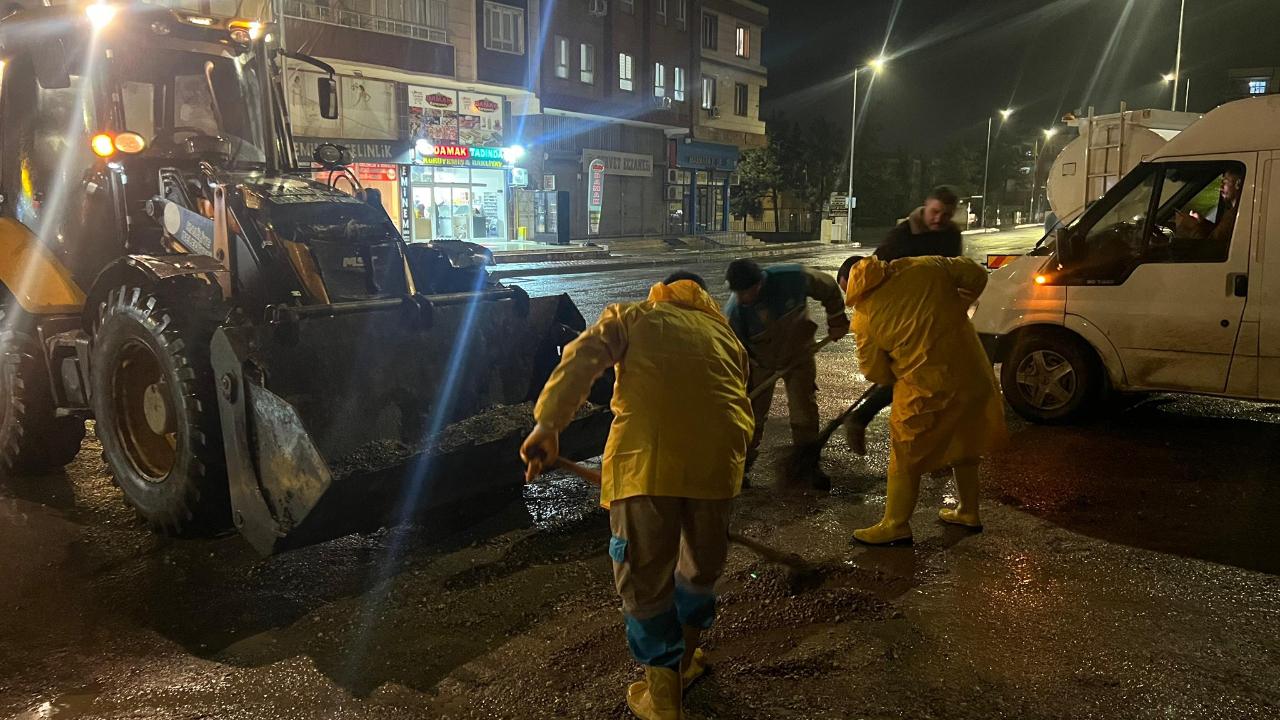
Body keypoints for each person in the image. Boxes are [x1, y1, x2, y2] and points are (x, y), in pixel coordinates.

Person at [521, 271, 753, 720]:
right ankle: (682, 666)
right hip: (718, 468)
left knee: (645, 580)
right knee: (697, 571)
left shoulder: (633, 316)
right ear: (702, 298)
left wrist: (547, 425)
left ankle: (664, 701)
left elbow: (581, 358)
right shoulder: (726, 336)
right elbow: (732, 396)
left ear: (660, 292)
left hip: (644, 464)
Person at [843, 254, 1007, 545]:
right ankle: (968, 511)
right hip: (971, 371)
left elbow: (874, 371)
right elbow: (976, 275)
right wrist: (959, 303)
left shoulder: (865, 315)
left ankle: (895, 525)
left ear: (852, 284)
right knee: (964, 441)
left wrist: (897, 361)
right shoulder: (926, 266)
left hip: (926, 387)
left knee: (906, 453)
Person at [840, 185, 965, 456]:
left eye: (945, 214)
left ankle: (929, 446)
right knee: (913, 378)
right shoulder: (901, 236)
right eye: (934, 212)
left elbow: (954, 271)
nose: (938, 219)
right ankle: (917, 448)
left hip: (935, 315)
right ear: (925, 206)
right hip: (905, 319)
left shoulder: (951, 235)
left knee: (933, 381)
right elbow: (875, 271)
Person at [723, 259, 848, 488]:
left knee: (804, 415)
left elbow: (828, 286)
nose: (741, 298)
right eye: (737, 293)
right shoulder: (735, 312)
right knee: (750, 416)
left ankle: (807, 465)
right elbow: (733, 354)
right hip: (760, 363)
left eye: (746, 292)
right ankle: (740, 468)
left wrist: (837, 319)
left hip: (799, 355)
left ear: (759, 283)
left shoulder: (792, 278)